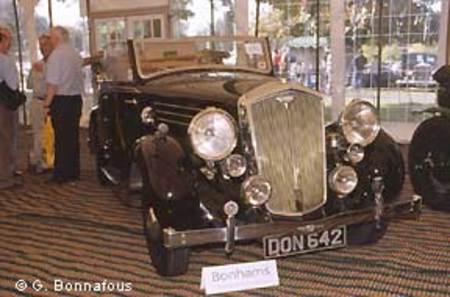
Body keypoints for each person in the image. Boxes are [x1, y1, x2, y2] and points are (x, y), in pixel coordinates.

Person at [43, 26, 83, 184]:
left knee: (60, 138)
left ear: (56, 39)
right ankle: (73, 171)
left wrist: (47, 104)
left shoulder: (56, 56)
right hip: (75, 100)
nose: (50, 40)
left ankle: (61, 174)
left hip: (61, 100)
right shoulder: (74, 53)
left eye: (51, 37)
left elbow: (53, 84)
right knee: (72, 137)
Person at [27, 34, 54, 173]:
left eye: (46, 45)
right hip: (37, 102)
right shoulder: (37, 65)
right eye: (41, 45)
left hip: (52, 102)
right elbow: (29, 85)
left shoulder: (56, 64)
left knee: (51, 133)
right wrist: (35, 72)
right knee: (37, 133)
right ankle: (37, 162)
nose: (43, 48)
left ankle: (50, 161)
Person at [0, 27, 21, 189]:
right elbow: (13, 85)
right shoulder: (4, 60)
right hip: (3, 104)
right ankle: (5, 178)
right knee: (5, 139)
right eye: (7, 40)